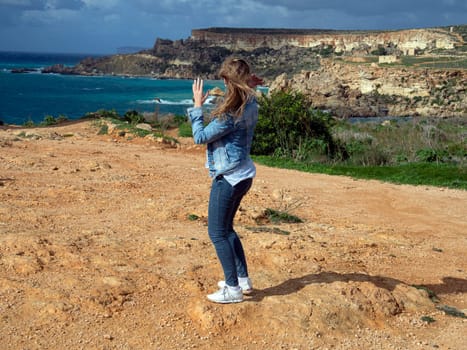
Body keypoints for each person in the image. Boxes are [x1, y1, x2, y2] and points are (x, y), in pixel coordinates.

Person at [187, 58, 262, 304]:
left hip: (228, 178)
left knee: (217, 233)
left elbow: (199, 137)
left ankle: (232, 289)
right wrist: (252, 83)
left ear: (227, 81)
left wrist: (197, 105)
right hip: (243, 173)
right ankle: (242, 280)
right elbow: (249, 88)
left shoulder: (231, 113)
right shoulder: (251, 102)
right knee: (228, 229)